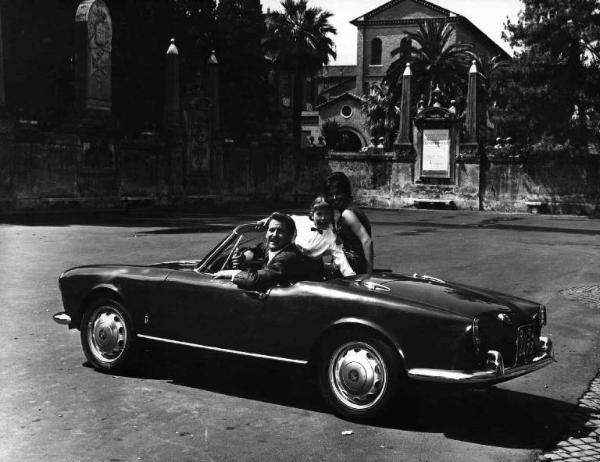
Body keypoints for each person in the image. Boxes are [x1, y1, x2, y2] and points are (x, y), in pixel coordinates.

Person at [212, 212, 312, 291]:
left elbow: (254, 280)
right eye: (272, 230)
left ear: (290, 236)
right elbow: (258, 250)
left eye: (280, 231)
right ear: (266, 233)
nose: (274, 235)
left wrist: (233, 273)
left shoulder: (288, 257)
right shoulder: (272, 247)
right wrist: (243, 257)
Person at [293, 196, 355, 278]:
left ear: (331, 215)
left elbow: (341, 259)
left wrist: (353, 278)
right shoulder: (301, 221)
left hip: (311, 269)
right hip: (291, 260)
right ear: (312, 215)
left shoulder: (332, 238)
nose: (323, 218)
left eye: (327, 213)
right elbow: (279, 219)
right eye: (319, 214)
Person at [324, 171, 374, 275]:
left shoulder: (348, 214)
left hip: (352, 268)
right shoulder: (349, 210)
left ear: (346, 192)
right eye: (330, 194)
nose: (334, 198)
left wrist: (368, 273)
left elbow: (366, 240)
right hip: (350, 263)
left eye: (337, 193)